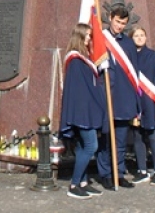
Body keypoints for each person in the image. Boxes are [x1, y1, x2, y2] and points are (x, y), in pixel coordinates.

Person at [60, 24, 106, 199]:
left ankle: (83, 182)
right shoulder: (76, 61)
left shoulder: (81, 60)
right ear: (79, 37)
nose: (89, 39)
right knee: (91, 146)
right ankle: (74, 184)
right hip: (83, 112)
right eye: (86, 35)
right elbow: (81, 90)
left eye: (89, 35)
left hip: (86, 110)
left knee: (82, 147)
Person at [96, 7, 139, 190]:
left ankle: (119, 173)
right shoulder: (100, 39)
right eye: (117, 21)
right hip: (105, 96)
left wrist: (135, 101)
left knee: (120, 141)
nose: (120, 26)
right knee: (105, 140)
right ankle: (105, 174)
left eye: (123, 23)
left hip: (123, 97)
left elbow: (135, 73)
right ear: (110, 18)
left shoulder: (128, 44)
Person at [129, 27, 155, 185]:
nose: (139, 38)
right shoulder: (128, 58)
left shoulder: (153, 56)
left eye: (142, 35)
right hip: (135, 102)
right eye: (136, 35)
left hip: (151, 102)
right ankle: (142, 170)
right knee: (138, 137)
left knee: (152, 137)